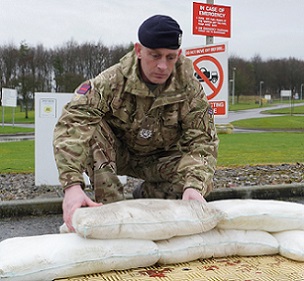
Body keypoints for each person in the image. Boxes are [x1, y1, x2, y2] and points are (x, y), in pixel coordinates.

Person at [53, 15, 219, 231]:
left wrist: (195, 187)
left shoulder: (189, 88)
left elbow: (202, 140)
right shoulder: (111, 82)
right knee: (91, 129)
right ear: (139, 50)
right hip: (115, 154)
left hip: (160, 159)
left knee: (189, 181)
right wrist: (72, 186)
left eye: (170, 57)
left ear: (178, 55)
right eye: (155, 55)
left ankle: (148, 195)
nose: (162, 66)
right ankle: (110, 210)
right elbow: (72, 123)